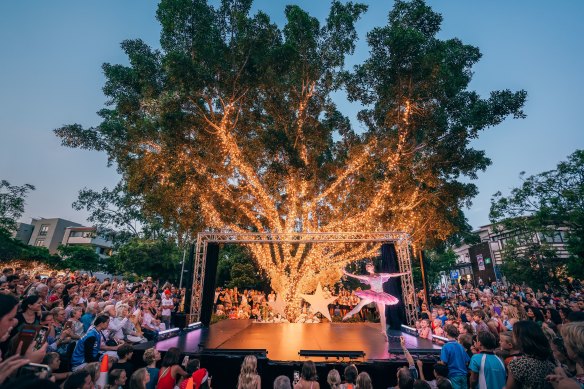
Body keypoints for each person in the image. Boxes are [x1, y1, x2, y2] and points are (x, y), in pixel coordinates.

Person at [342, 261, 409, 339]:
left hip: (380, 295)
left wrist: (405, 273)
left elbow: (392, 274)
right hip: (372, 293)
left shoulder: (380, 275)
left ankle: (384, 332)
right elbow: (356, 276)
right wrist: (346, 273)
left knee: (382, 314)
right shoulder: (367, 277)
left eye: (368, 266)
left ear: (373, 267)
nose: (367, 267)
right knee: (361, 303)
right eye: (366, 267)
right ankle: (349, 314)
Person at [506, 320, 556, 389]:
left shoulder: (517, 365)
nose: (512, 337)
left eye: (513, 334)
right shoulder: (550, 363)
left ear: (520, 338)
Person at [439, 325, 469, 389]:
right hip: (464, 375)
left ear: (446, 333)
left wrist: (438, 362)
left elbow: (443, 362)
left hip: (453, 375)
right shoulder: (460, 346)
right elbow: (466, 362)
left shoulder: (446, 346)